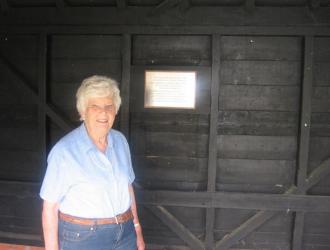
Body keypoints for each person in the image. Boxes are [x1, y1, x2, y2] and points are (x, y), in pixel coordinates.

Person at [40, 75, 145, 250]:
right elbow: (49, 208)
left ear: (115, 110)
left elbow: (127, 187)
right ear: (83, 112)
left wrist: (137, 229)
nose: (103, 112)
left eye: (108, 106)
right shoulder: (64, 151)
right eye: (95, 106)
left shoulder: (120, 141)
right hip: (84, 238)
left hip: (125, 233)